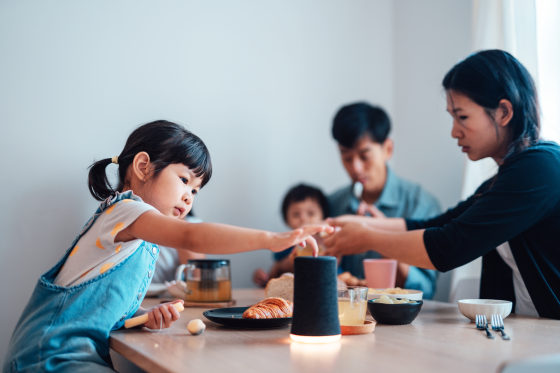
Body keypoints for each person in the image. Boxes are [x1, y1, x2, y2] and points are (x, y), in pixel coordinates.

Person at [3, 120, 331, 372]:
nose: (190, 196)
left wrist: (141, 316)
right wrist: (272, 240)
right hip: (49, 357)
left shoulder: (141, 234)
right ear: (143, 167)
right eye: (185, 180)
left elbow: (102, 305)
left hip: (72, 355)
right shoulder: (125, 211)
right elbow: (190, 236)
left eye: (197, 190)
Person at [324, 49, 560, 319]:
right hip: (528, 331)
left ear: (504, 112)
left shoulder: (540, 168)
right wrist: (357, 225)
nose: (454, 131)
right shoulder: (504, 179)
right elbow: (439, 223)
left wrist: (366, 237)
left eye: (462, 117)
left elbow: (448, 246)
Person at [328, 102, 441, 298]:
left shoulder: (420, 205)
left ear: (387, 149)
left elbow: (426, 291)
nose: (356, 168)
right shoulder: (334, 204)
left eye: (364, 156)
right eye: (346, 158)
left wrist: (381, 237)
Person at [253, 183, 329, 287]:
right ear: (286, 219)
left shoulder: (330, 241)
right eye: (296, 214)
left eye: (311, 213)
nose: (303, 218)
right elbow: (273, 277)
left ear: (323, 216)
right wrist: (264, 277)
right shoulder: (284, 244)